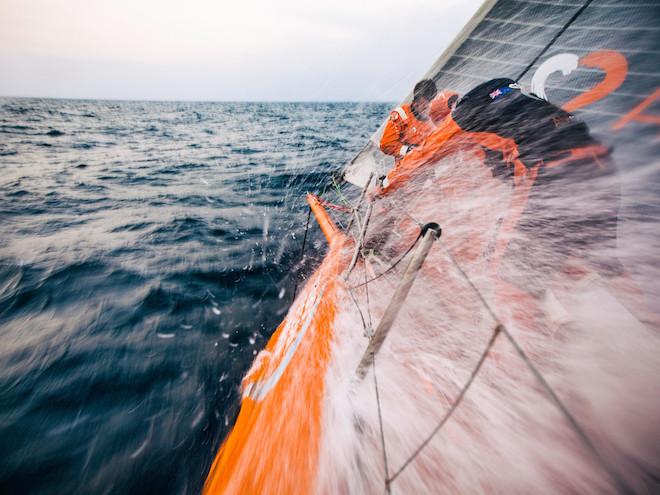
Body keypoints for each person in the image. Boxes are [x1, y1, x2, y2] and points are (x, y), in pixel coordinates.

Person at [379, 79, 438, 162]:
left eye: (429, 104)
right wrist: (409, 151)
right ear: (415, 103)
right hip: (404, 170)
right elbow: (386, 144)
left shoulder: (433, 123)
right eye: (423, 106)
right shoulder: (401, 115)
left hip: (426, 169)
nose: (427, 108)